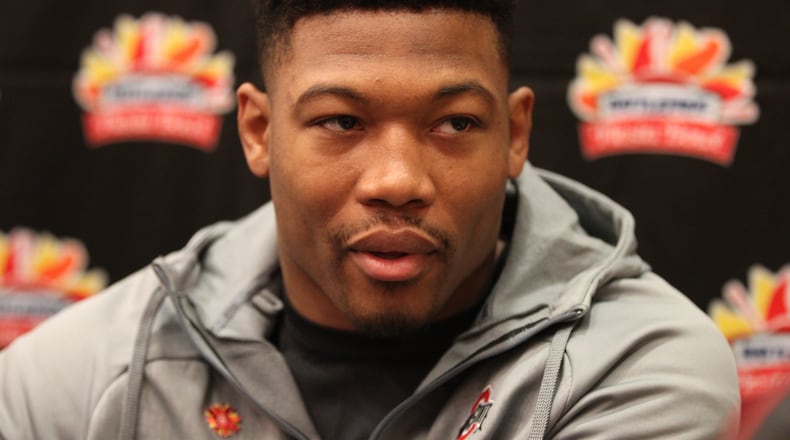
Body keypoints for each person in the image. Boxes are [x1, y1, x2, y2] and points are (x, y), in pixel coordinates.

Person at [0, 1, 740, 439]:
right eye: (342, 121)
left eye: (453, 124)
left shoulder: (642, 364)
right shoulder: (80, 374)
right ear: (258, 131)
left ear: (515, 135)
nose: (398, 181)